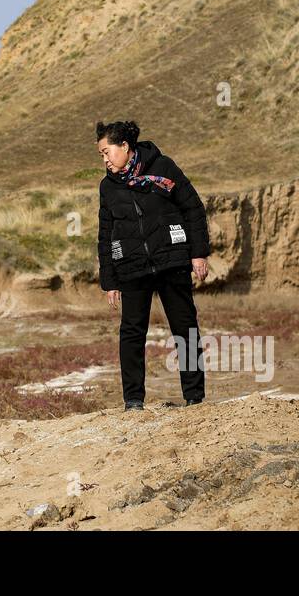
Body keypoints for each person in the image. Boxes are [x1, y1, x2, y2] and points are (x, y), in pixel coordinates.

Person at [96, 119, 210, 411]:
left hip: (172, 261)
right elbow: (106, 234)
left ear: (125, 146)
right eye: (101, 155)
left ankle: (194, 397)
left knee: (185, 328)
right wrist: (109, 281)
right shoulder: (108, 187)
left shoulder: (164, 168)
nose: (105, 159)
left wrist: (198, 253)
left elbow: (193, 208)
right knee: (132, 333)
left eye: (107, 152)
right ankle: (133, 401)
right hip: (132, 268)